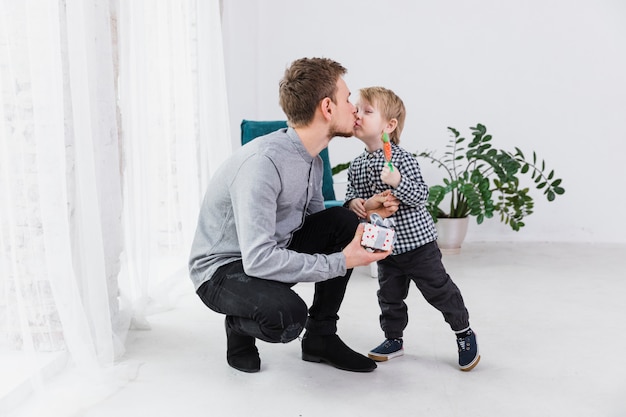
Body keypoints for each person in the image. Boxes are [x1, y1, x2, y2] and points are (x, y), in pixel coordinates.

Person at [189, 58, 399, 373]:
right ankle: (238, 326)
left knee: (343, 223)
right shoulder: (263, 164)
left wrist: (365, 212)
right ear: (327, 107)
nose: (354, 109)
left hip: (268, 250)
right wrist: (343, 261)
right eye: (347, 100)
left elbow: (322, 230)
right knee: (286, 317)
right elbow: (258, 259)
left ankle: (321, 338)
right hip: (221, 271)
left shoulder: (312, 160)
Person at [345, 86, 480, 371]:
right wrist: (362, 203)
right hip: (384, 248)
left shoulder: (402, 159)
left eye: (367, 111)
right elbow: (351, 200)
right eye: (357, 109)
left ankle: (463, 332)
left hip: (418, 246)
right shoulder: (356, 165)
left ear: (389, 125)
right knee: (389, 296)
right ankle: (393, 339)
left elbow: (420, 196)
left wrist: (397, 182)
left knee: (439, 290)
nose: (357, 114)